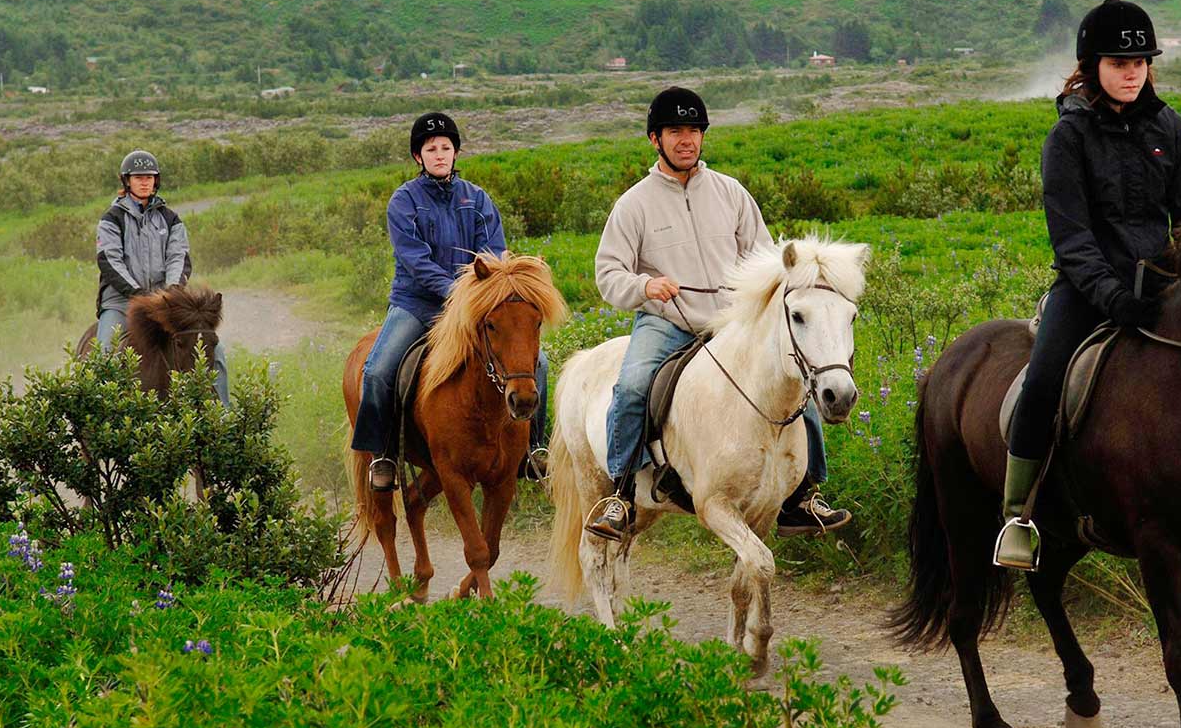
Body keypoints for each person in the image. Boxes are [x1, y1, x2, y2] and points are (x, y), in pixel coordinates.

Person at [995, 0, 1181, 571]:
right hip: (1089, 291)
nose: (1132, 71)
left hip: (1162, 287)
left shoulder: (1169, 126)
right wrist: (1115, 298)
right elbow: (1072, 239)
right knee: (1042, 381)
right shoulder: (1067, 138)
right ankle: (1019, 515)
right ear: (1091, 64)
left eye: (1140, 61)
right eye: (1119, 62)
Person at [583, 86, 850, 542]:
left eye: (693, 130)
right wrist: (644, 286)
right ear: (655, 139)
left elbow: (766, 259)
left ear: (702, 137)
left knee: (797, 382)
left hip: (732, 324)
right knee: (631, 387)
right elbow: (608, 272)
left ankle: (804, 495)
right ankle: (621, 495)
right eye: (674, 131)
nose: (685, 139)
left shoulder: (731, 193)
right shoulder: (634, 204)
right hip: (666, 322)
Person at [350, 112, 550, 492]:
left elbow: (493, 254)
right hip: (417, 304)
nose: (439, 154)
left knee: (536, 362)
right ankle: (384, 453)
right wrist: (458, 292)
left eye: (446, 147)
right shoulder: (404, 201)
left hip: (474, 308)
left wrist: (478, 296)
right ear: (418, 157)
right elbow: (415, 260)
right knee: (378, 369)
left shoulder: (477, 200)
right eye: (431, 149)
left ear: (455, 152)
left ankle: (532, 448)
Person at [96, 149, 230, 406]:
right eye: (138, 177)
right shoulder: (111, 219)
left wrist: (169, 294)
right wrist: (137, 293)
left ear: (156, 180)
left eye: (149, 176)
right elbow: (109, 260)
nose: (145, 181)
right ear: (127, 181)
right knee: (104, 354)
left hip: (164, 304)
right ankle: (97, 422)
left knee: (214, 351)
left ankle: (222, 414)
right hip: (120, 303)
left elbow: (178, 257)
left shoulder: (171, 219)